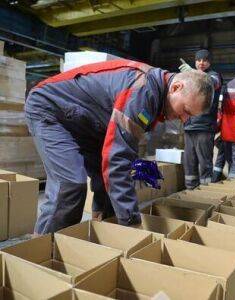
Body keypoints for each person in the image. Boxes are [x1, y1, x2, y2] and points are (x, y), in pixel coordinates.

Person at [25, 59, 214, 234]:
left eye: (190, 117)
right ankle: (42, 252)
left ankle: (103, 232)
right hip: (51, 109)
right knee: (71, 185)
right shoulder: (144, 91)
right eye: (186, 111)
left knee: (108, 181)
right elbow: (119, 159)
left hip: (86, 122)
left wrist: (148, 176)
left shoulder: (156, 97)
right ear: (176, 88)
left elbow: (122, 156)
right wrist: (132, 222)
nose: (184, 119)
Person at [180, 49, 222, 188]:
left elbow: (209, 83)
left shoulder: (214, 76)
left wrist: (193, 72)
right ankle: (190, 191)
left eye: (205, 60)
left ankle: (205, 192)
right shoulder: (190, 76)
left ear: (210, 62)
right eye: (198, 60)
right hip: (189, 125)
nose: (201, 63)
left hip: (204, 126)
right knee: (189, 161)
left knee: (205, 163)